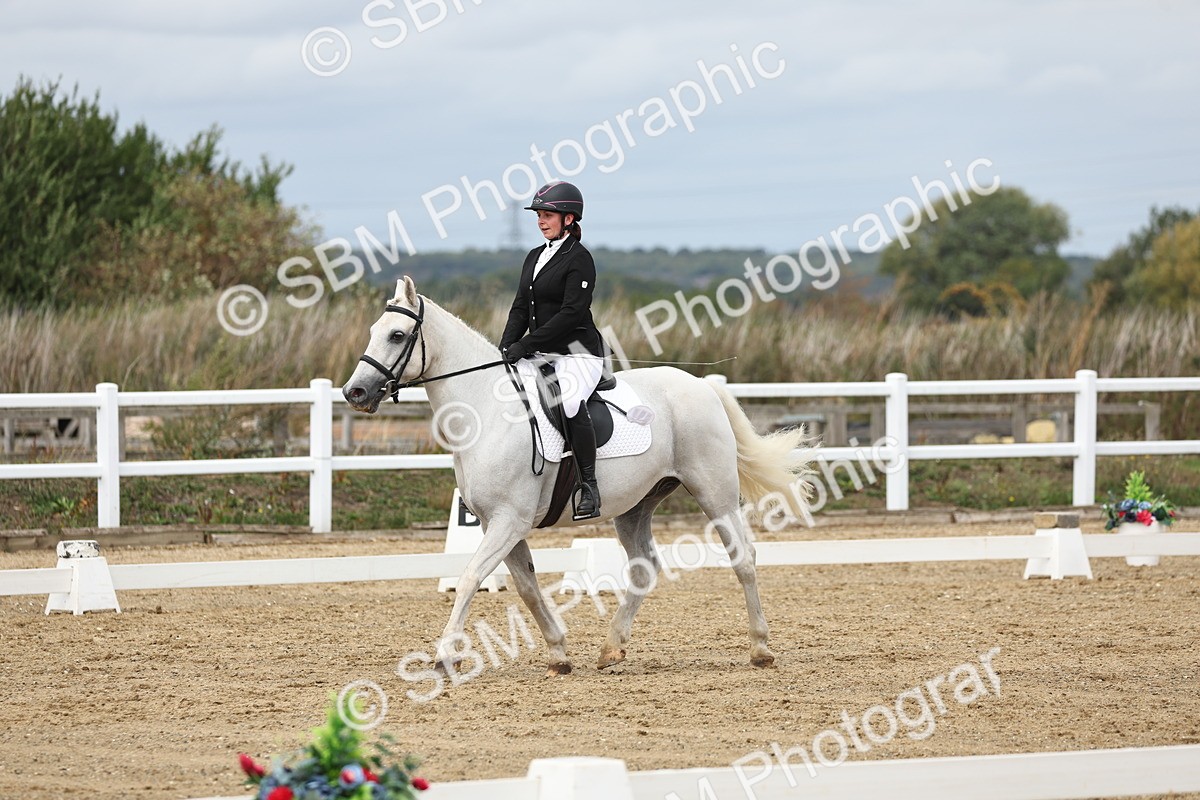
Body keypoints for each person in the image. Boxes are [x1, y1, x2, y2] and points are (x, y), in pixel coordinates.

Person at [500, 181, 605, 519]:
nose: (541, 221)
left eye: (548, 215)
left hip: (579, 352)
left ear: (569, 219)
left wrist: (526, 345)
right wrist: (505, 348)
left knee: (571, 401)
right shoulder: (534, 256)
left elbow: (570, 313)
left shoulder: (580, 259)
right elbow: (519, 307)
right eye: (539, 216)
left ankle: (589, 486)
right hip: (540, 352)